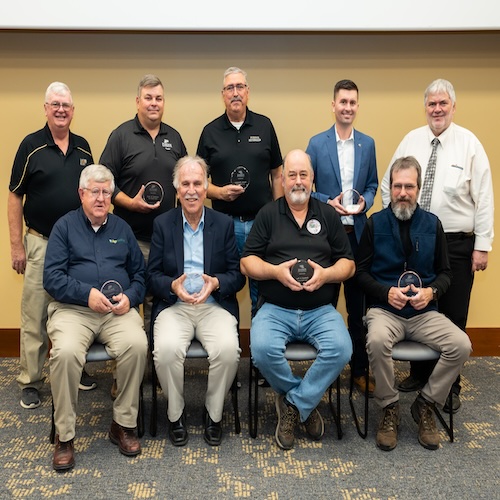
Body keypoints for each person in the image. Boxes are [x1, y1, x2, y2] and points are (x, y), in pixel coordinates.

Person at [380, 79, 494, 413]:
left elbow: (484, 197)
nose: (437, 109)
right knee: (418, 305)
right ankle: (419, 374)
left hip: (457, 242)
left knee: (454, 313)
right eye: (432, 104)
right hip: (417, 240)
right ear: (425, 107)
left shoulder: (469, 144)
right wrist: (397, 224)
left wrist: (482, 245)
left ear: (453, 107)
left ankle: (450, 386)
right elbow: (391, 186)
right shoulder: (411, 140)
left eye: (443, 103)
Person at [240, 149, 354, 450]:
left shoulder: (328, 215)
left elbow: (349, 264)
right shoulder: (268, 214)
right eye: (292, 175)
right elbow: (247, 262)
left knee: (342, 349)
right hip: (276, 309)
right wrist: (275, 272)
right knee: (261, 349)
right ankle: (306, 401)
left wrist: (326, 275)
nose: (298, 181)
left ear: (312, 178)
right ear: (283, 179)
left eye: (304, 174)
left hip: (320, 309)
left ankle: (293, 405)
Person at [357, 156, 472, 451]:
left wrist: (431, 293)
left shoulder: (433, 225)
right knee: (377, 339)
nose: (403, 192)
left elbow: (446, 273)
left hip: (423, 313)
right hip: (385, 311)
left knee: (461, 344)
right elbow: (360, 273)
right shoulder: (375, 223)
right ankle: (389, 407)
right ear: (390, 189)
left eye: (409, 186)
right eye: (398, 186)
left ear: (419, 189)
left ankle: (426, 403)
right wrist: (385, 293)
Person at [43, 164, 148, 471]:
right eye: (95, 192)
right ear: (81, 194)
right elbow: (52, 278)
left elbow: (139, 276)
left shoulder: (122, 229)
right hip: (74, 310)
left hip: (116, 311)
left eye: (106, 192)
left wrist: (130, 296)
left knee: (136, 345)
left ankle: (123, 424)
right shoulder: (63, 227)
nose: (101, 198)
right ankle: (64, 436)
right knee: (64, 354)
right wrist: (85, 293)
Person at [8, 81, 96, 410]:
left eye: (66, 105)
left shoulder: (85, 149)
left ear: (73, 111)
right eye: (55, 104)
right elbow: (15, 196)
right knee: (35, 313)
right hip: (41, 242)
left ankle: (78, 366)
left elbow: (94, 194)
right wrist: (17, 246)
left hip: (78, 245)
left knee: (77, 309)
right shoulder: (31, 146)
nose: (61, 110)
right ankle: (30, 380)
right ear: (45, 108)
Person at [147, 155, 244, 447]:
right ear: (177, 190)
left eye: (197, 183)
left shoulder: (223, 223)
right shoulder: (163, 224)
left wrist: (215, 283)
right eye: (185, 184)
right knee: (164, 351)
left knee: (228, 350)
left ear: (206, 188)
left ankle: (213, 415)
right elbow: (151, 275)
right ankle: (175, 415)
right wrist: (172, 286)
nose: (191, 190)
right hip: (174, 307)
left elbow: (236, 275)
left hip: (213, 306)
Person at [100, 74, 187, 396]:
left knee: (159, 302)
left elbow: (184, 183)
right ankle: (122, 374)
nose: (154, 103)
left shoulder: (174, 137)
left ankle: (153, 369)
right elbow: (107, 185)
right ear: (138, 101)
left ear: (164, 103)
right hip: (127, 239)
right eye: (148, 97)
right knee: (125, 304)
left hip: (166, 240)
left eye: (159, 98)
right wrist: (130, 203)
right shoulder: (121, 136)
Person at [306, 79, 378, 395]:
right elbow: (305, 187)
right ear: (332, 105)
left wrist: (367, 201)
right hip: (328, 239)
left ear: (357, 107)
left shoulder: (368, 143)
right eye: (342, 102)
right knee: (324, 306)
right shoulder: (317, 143)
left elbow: (374, 184)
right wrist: (326, 201)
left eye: (352, 102)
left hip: (359, 237)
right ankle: (327, 371)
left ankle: (360, 372)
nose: (347, 107)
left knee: (358, 309)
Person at [196, 66, 283, 315]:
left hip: (261, 223)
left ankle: (258, 352)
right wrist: (220, 193)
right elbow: (198, 181)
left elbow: (277, 173)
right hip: (224, 225)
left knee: (262, 289)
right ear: (223, 94)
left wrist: (277, 214)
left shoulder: (265, 126)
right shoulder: (210, 131)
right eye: (230, 88)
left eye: (240, 87)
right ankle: (229, 347)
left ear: (248, 92)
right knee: (225, 285)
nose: (236, 93)